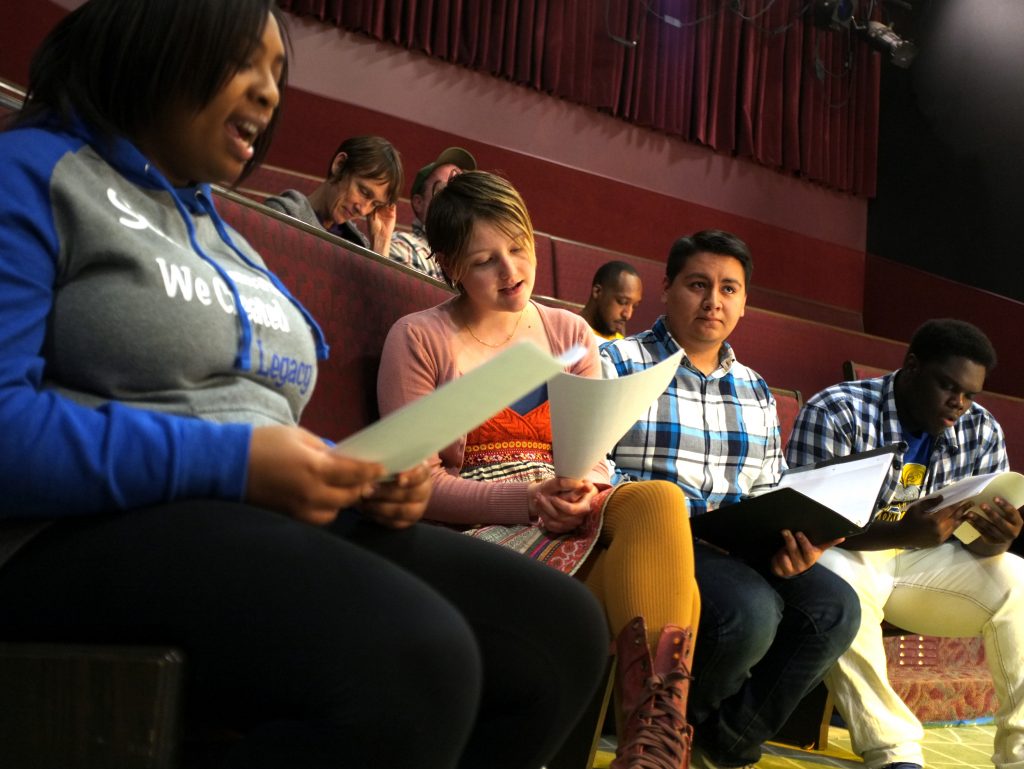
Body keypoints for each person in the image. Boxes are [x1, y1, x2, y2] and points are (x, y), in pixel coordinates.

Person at [0, 2, 611, 768]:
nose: (267, 94)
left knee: (560, 633)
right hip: (78, 533)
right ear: (150, 40)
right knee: (418, 658)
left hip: (246, 514)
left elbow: (249, 414)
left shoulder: (223, 233)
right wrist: (239, 462)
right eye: (243, 64)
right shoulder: (31, 174)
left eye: (277, 76)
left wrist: (351, 474)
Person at [378, 170, 701, 769]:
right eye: (485, 261)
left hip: (569, 517)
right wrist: (526, 500)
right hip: (481, 538)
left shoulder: (569, 331)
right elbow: (414, 486)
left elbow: (595, 449)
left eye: (519, 247)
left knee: (659, 501)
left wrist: (589, 488)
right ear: (449, 267)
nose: (512, 271)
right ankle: (657, 750)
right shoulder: (420, 338)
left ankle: (650, 752)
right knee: (682, 592)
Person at [600, 230, 861, 769]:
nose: (713, 300)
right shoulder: (618, 363)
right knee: (750, 611)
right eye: (698, 284)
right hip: (662, 537)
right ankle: (658, 726)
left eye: (728, 289)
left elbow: (770, 483)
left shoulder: (756, 388)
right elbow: (593, 464)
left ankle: (721, 738)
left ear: (744, 304)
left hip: (743, 538)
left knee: (835, 607)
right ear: (667, 288)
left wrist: (797, 539)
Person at [786, 318, 1024, 769]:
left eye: (970, 394)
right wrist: (900, 533)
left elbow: (974, 542)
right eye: (947, 386)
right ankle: (893, 751)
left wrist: (995, 540)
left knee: (1018, 578)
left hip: (926, 563)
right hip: (850, 553)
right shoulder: (838, 410)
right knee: (833, 581)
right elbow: (804, 526)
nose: (959, 404)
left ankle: (1019, 753)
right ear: (911, 366)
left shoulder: (982, 429)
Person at [265, 134, 401, 255]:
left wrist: (381, 241)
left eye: (375, 204)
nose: (363, 210)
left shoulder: (360, 245)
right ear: (339, 165)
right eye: (363, 192)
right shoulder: (282, 214)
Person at [389, 146, 476, 280]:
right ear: (419, 203)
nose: (457, 198)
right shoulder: (403, 246)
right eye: (444, 189)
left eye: (461, 189)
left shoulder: (476, 257)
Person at [580, 260, 643, 341]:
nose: (628, 315)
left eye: (634, 306)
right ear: (597, 292)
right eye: (622, 302)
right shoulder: (569, 333)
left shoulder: (623, 345)